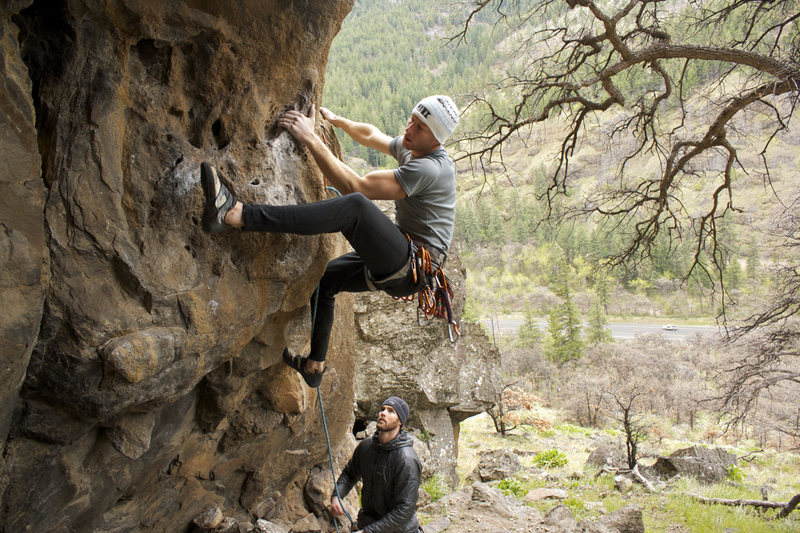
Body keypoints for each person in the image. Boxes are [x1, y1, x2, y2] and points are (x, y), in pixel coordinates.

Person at [200, 96, 459, 387]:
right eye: (411, 119)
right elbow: (373, 136)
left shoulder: (430, 169)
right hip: (402, 259)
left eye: (420, 127)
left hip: (412, 264)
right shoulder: (415, 147)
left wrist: (310, 137)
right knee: (325, 281)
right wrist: (338, 121)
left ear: (437, 139)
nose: (409, 129)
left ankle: (236, 213)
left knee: (355, 208)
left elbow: (356, 187)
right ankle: (314, 366)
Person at [330, 396, 422, 533]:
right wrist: (337, 495)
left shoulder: (406, 459)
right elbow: (350, 474)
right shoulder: (366, 446)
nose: (383, 413)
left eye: (391, 411)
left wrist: (367, 532)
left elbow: (404, 510)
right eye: (382, 409)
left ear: (400, 422)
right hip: (368, 523)